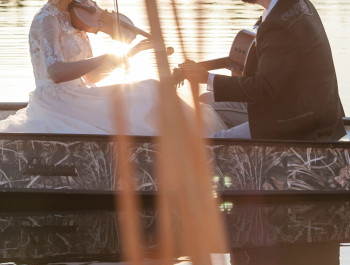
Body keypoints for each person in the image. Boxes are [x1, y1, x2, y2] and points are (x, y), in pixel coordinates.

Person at [0, 0, 226, 136]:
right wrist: (104, 57)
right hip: (57, 100)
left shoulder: (72, 18)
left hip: (79, 94)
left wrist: (129, 54)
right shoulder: (47, 19)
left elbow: (90, 77)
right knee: (149, 91)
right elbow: (56, 73)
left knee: (152, 89)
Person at [180, 0, 346, 140]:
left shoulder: (278, 26)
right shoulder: (295, 5)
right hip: (314, 111)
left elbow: (264, 88)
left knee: (212, 143)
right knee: (206, 101)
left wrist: (207, 77)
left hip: (300, 123)